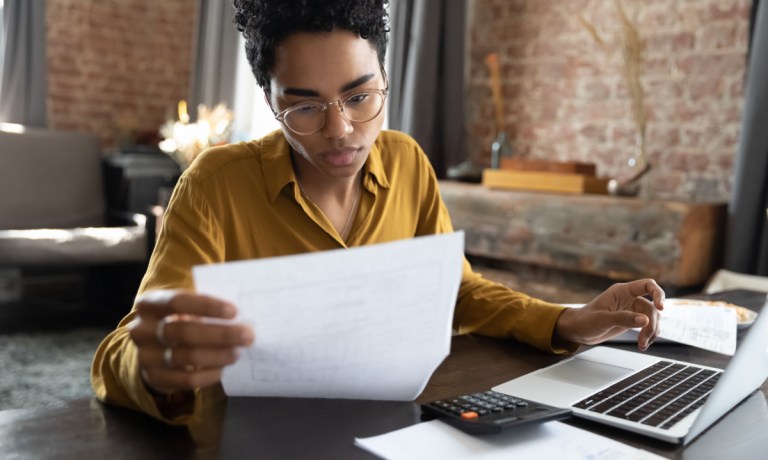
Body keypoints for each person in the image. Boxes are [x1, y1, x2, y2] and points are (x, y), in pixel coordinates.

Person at [91, 0, 664, 424]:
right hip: (254, 434)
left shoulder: (409, 163)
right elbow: (124, 348)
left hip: (398, 424)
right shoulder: (214, 185)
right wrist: (152, 367)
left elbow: (456, 292)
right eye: (305, 106)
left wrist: (567, 320)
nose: (341, 131)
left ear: (386, 82)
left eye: (361, 97)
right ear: (270, 101)